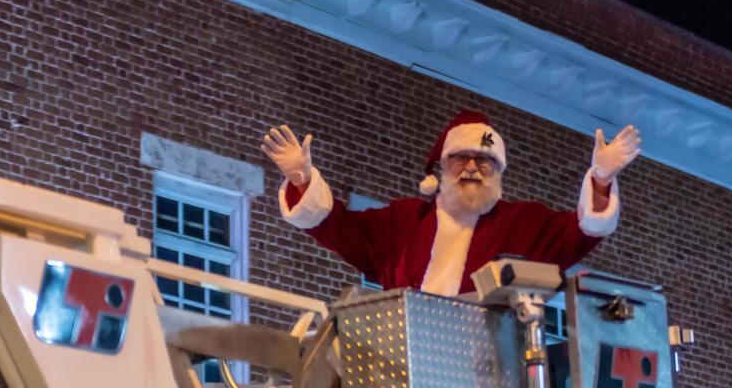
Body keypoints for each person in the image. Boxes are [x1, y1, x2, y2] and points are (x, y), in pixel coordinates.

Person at [261, 110, 640, 295]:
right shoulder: (404, 222)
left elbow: (582, 231)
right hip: (401, 365)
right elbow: (338, 227)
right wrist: (301, 179)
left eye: (486, 160)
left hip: (486, 374)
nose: (473, 168)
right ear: (441, 166)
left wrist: (602, 179)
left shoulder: (522, 224)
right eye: (462, 158)